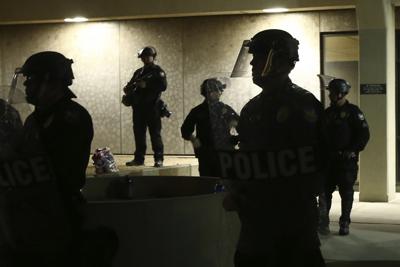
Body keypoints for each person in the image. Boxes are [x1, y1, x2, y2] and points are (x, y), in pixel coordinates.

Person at [222, 29, 326, 267]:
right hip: (255, 220)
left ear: (277, 61)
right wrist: (236, 189)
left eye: (257, 57)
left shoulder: (302, 104)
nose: (251, 63)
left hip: (291, 220)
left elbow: (315, 164)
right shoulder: (252, 108)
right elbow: (248, 157)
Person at [14, 51, 93, 266]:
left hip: (58, 211)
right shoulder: (35, 118)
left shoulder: (71, 117)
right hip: (32, 209)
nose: (26, 86)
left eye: (30, 80)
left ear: (48, 80)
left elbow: (60, 170)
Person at [318, 78, 370, 236]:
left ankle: (344, 222)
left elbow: (363, 134)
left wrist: (353, 150)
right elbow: (320, 137)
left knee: (346, 192)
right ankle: (323, 223)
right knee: (325, 193)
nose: (330, 95)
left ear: (341, 93)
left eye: (332, 92)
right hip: (328, 161)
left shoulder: (354, 112)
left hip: (346, 161)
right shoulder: (327, 113)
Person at [181, 78, 239, 177]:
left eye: (220, 90)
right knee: (207, 181)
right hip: (206, 153)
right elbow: (185, 129)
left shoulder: (226, 109)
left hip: (225, 153)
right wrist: (193, 139)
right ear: (209, 93)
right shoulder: (198, 111)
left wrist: (235, 134)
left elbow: (241, 125)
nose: (220, 93)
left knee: (227, 181)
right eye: (217, 90)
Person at [122, 46, 167, 168]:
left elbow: (163, 86)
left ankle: (159, 159)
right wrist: (128, 89)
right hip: (138, 108)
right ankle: (139, 159)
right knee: (139, 134)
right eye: (143, 57)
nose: (145, 59)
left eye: (148, 56)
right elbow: (130, 85)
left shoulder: (158, 71)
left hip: (152, 108)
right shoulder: (138, 72)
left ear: (153, 57)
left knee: (155, 135)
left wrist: (146, 85)